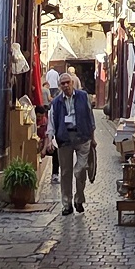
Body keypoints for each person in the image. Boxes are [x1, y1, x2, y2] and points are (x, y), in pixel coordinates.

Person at [50, 70, 96, 215]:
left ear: (72, 83)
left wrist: (93, 138)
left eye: (67, 82)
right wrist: (49, 139)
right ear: (59, 86)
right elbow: (52, 122)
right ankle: (67, 204)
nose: (66, 85)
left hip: (83, 136)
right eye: (62, 83)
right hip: (64, 138)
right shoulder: (56, 102)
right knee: (65, 172)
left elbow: (90, 117)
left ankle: (79, 199)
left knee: (80, 170)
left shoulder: (83, 96)